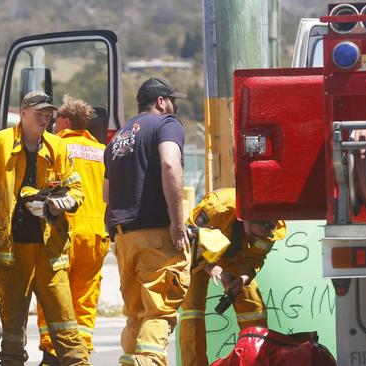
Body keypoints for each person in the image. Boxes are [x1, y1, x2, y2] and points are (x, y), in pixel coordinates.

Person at [0, 91, 91, 366]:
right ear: (24, 113)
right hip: (12, 251)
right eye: (38, 113)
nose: (44, 118)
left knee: (66, 323)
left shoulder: (57, 148)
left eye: (48, 113)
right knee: (13, 330)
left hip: (50, 250)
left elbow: (77, 188)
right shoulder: (0, 143)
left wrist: (63, 202)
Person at [103, 77, 191, 366]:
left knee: (137, 313)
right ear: (160, 102)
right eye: (172, 101)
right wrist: (178, 224)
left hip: (125, 237)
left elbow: (106, 192)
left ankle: (132, 360)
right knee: (160, 309)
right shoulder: (167, 124)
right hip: (157, 234)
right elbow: (169, 163)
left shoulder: (118, 137)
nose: (175, 107)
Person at [36, 95, 109, 365]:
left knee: (53, 293)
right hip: (95, 236)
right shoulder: (102, 151)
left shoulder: (56, 147)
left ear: (66, 120)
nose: (52, 124)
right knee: (85, 297)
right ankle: (81, 353)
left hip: (63, 233)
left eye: (56, 119)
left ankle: (52, 353)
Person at [179, 188, 287, 366]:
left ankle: (257, 361)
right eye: (254, 234)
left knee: (254, 310)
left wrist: (243, 279)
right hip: (199, 256)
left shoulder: (272, 228)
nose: (261, 236)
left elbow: (255, 259)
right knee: (192, 311)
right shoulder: (217, 207)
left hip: (235, 260)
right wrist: (210, 266)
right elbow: (188, 242)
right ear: (245, 218)